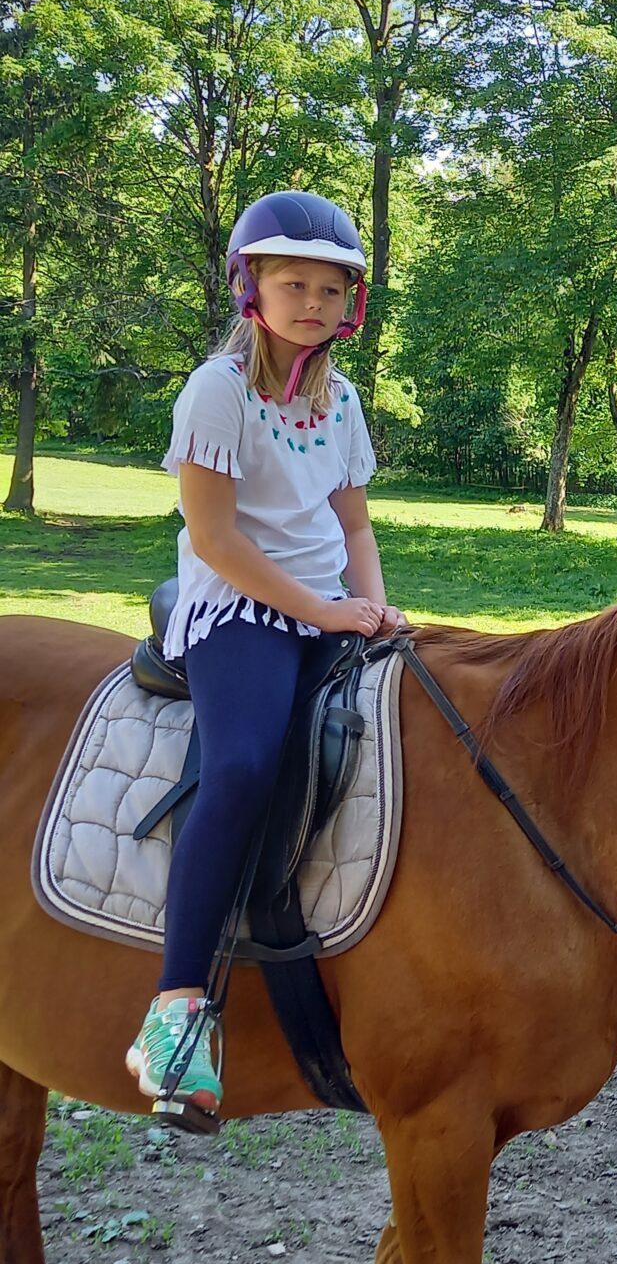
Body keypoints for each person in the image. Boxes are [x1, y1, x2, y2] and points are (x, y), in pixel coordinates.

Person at [125, 190, 407, 1130]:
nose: (316, 303)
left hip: (328, 602)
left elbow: (352, 519)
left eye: (333, 288)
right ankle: (175, 1014)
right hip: (238, 607)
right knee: (243, 764)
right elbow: (215, 540)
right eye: (295, 283)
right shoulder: (218, 391)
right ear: (253, 287)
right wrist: (325, 607)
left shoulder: (342, 399)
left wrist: (372, 604)